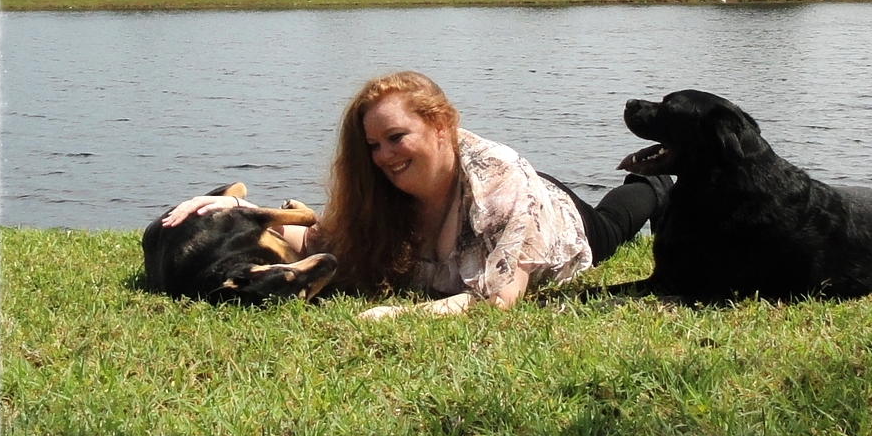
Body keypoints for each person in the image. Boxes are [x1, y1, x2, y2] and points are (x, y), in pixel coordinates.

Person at [162, 70, 672, 319]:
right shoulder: (383, 191)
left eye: (397, 137)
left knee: (613, 224)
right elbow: (316, 238)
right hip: (507, 198)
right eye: (374, 145)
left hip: (556, 216)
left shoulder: (501, 179)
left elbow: (500, 302)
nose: (384, 155)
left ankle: (656, 182)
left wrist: (397, 315)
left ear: (440, 125)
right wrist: (230, 211)